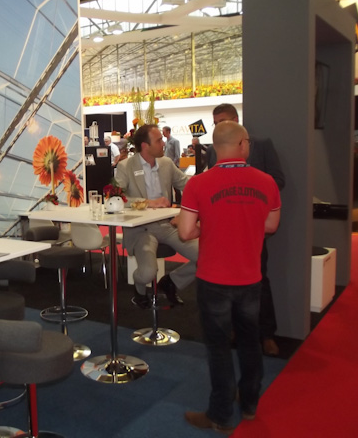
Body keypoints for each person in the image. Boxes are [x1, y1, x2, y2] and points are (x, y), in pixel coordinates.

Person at [179, 121, 281, 434]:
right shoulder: (266, 182)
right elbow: (271, 225)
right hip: (249, 278)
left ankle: (221, 414)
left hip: (214, 279)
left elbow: (185, 232)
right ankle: (249, 404)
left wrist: (207, 226)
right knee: (250, 341)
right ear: (241, 144)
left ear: (215, 147)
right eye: (248, 142)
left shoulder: (198, 184)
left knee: (218, 347)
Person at [207, 103, 285, 356]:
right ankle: (232, 328)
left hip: (253, 228)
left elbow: (278, 179)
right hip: (224, 229)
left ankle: (267, 334)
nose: (219, 127)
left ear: (236, 119)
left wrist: (251, 189)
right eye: (216, 123)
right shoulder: (213, 151)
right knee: (225, 283)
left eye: (223, 121)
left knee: (259, 281)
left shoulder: (261, 145)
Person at [115, 124, 199, 309]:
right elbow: (116, 197)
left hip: (167, 225)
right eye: (159, 140)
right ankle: (139, 290)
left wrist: (210, 183)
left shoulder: (166, 164)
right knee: (147, 273)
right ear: (145, 146)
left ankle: (172, 282)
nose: (163, 143)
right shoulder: (125, 166)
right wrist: (147, 202)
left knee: (207, 257)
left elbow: (188, 184)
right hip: (141, 229)